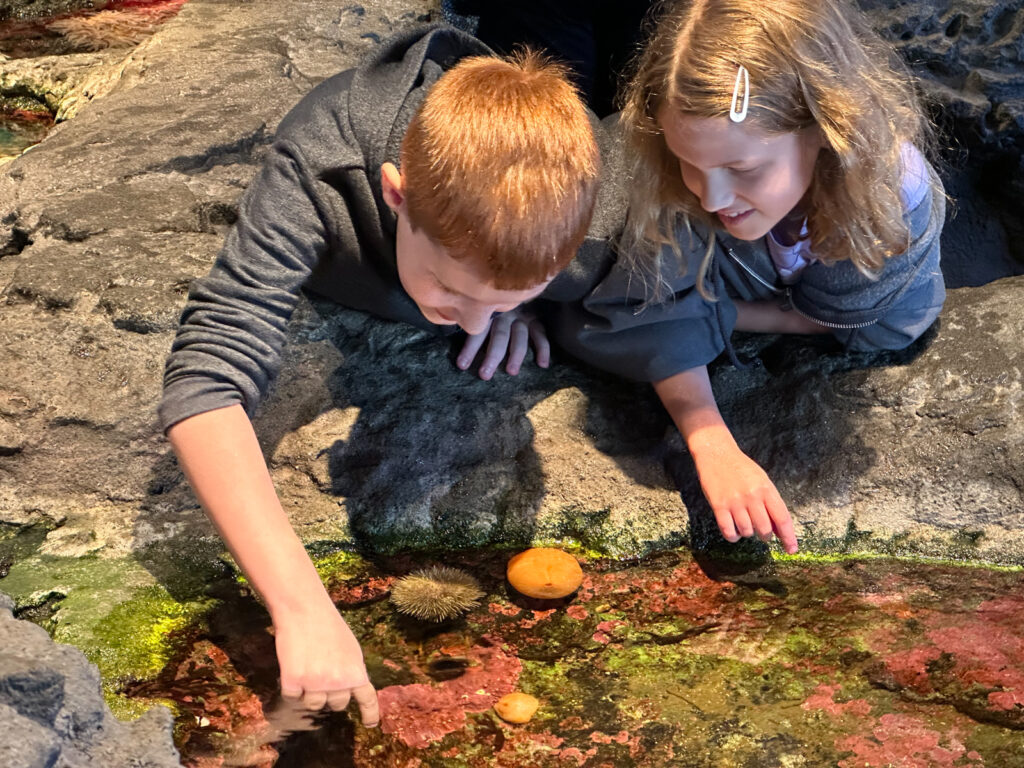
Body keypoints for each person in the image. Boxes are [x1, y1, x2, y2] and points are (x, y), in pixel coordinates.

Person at [159, 25, 605, 728]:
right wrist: (301, 605)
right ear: (396, 196)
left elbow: (638, 285)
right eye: (449, 290)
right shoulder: (320, 165)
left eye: (505, 300)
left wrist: (533, 311)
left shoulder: (578, 226)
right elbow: (204, 377)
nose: (466, 323)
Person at [611, 0, 946, 555]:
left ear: (826, 127)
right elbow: (646, 289)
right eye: (689, 163)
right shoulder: (679, 172)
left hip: (855, 300)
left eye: (742, 170)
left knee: (894, 322)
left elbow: (875, 315)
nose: (712, 195)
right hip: (752, 286)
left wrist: (713, 309)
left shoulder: (891, 188)